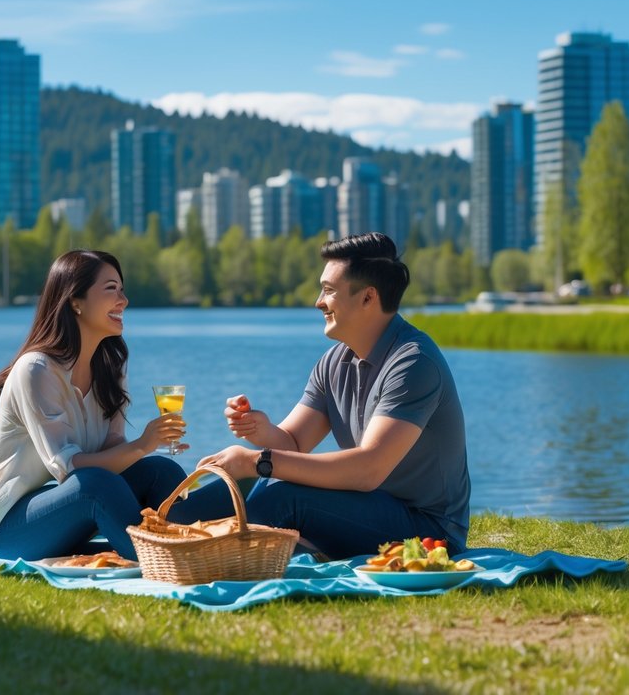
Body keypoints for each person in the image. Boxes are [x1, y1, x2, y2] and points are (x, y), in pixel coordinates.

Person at [172, 232, 470, 559]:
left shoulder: (413, 362)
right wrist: (261, 430)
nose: (318, 301)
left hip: (428, 532)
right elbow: (293, 444)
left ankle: (211, 555)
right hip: (362, 508)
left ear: (368, 298)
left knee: (279, 493)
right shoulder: (334, 362)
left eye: (328, 290)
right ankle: (167, 535)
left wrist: (255, 461)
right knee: (210, 504)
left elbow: (368, 469)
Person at [0, 249, 187, 562]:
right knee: (95, 484)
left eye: (122, 290)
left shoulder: (111, 364)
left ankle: (192, 543)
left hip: (56, 505)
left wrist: (148, 448)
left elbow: (113, 447)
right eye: (111, 289)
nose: (123, 300)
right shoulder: (37, 370)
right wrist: (144, 444)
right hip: (0, 525)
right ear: (75, 302)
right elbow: (70, 470)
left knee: (161, 471)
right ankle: (162, 558)